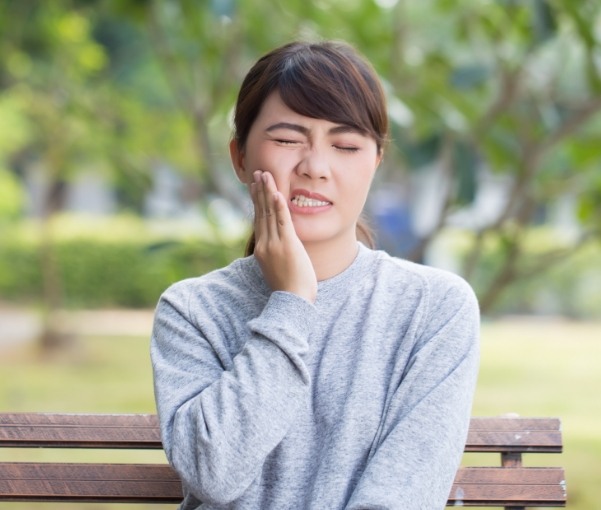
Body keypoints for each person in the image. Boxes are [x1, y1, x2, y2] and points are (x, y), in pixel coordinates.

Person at [151, 40, 480, 510]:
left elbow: (399, 497)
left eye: (345, 145)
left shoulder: (435, 308)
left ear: (375, 162)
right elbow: (215, 475)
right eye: (287, 140)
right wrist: (292, 303)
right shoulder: (192, 311)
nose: (315, 168)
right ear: (240, 157)